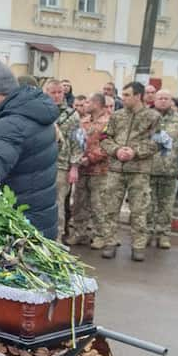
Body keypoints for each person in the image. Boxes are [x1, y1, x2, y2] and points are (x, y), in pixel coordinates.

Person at [0, 61, 58, 238]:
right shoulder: (31, 112)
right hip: (40, 215)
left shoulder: (12, 124)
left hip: (23, 222)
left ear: (2, 94)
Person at [98, 81, 160, 261]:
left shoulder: (153, 117)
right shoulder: (116, 116)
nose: (123, 98)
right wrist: (116, 150)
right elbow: (105, 138)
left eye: (127, 95)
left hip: (139, 171)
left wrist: (135, 152)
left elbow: (157, 142)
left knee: (139, 210)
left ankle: (138, 245)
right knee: (110, 207)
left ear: (138, 96)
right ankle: (109, 242)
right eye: (123, 95)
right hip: (116, 169)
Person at [148, 89, 178, 249]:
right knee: (147, 205)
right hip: (148, 169)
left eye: (166, 98)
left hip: (170, 170)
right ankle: (146, 233)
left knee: (166, 206)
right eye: (160, 98)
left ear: (171, 101)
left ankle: (163, 235)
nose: (163, 101)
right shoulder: (147, 117)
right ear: (154, 100)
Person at [66, 92, 111, 249]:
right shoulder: (83, 121)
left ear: (97, 104)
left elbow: (107, 145)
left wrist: (90, 158)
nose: (85, 104)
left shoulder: (108, 122)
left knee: (99, 204)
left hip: (100, 170)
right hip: (82, 169)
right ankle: (79, 233)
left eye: (88, 102)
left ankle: (100, 235)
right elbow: (77, 141)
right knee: (79, 202)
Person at [49, 80, 83, 244]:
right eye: (53, 92)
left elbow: (77, 142)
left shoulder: (72, 115)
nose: (56, 96)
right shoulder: (40, 111)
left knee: (58, 204)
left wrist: (74, 167)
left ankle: (57, 238)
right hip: (41, 164)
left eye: (59, 92)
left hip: (61, 165)